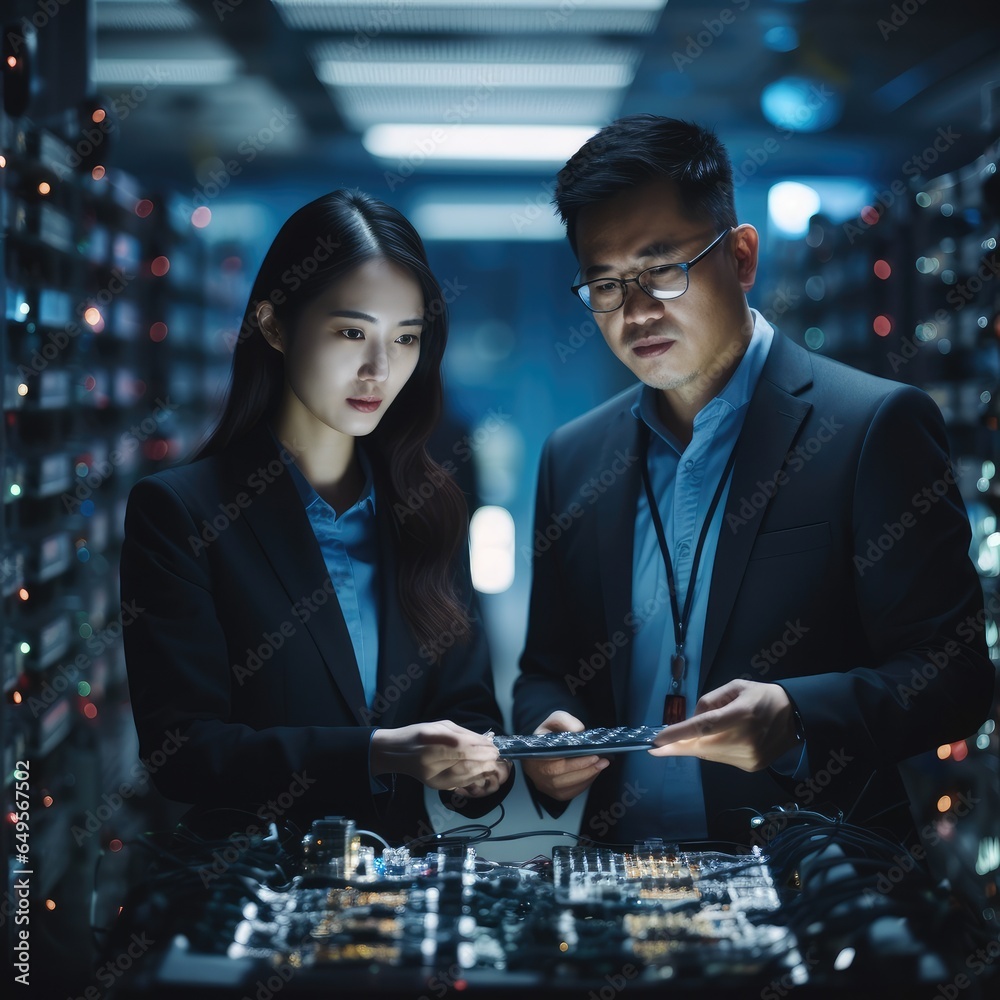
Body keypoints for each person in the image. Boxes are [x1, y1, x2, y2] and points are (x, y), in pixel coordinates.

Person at [512, 115, 994, 849]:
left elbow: (953, 676)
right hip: (619, 892)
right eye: (605, 285)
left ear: (741, 258)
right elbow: (545, 668)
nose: (636, 312)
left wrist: (797, 716)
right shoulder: (574, 457)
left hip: (818, 888)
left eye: (662, 268)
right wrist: (544, 735)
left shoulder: (870, 427)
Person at [120, 189, 512, 845]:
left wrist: (482, 770)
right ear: (274, 325)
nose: (380, 369)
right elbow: (183, 755)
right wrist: (378, 752)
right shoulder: (181, 514)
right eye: (352, 332)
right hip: (252, 901)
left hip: (402, 903)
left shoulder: (430, 508)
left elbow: (467, 709)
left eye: (405, 339)